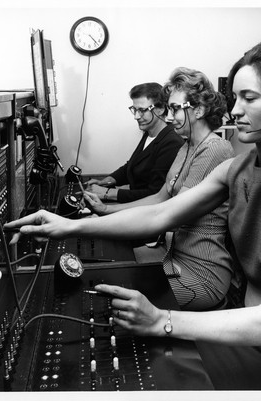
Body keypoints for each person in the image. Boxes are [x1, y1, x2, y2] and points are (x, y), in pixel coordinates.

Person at [5, 40, 261, 390]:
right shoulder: (239, 166)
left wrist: (161, 320)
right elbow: (160, 214)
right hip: (247, 328)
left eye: (249, 98)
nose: (235, 110)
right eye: (234, 98)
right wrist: (69, 226)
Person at [83, 67, 236, 311]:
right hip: (173, 259)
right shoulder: (186, 147)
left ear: (199, 109)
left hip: (202, 273)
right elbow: (158, 198)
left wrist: (83, 225)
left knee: (116, 301)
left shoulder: (216, 149)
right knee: (105, 281)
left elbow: (168, 215)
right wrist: (104, 210)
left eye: (176, 108)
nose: (169, 116)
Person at [85, 82, 184, 203]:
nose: (136, 116)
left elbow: (155, 194)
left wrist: (107, 193)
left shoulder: (171, 143)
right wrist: (106, 181)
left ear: (160, 109)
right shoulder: (149, 133)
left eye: (142, 110)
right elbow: (132, 166)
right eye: (134, 110)